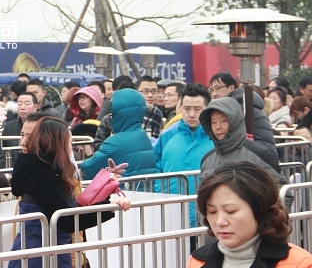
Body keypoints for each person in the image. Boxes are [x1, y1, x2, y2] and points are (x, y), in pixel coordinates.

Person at [7, 118, 130, 268]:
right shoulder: (42, 176)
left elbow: (70, 205)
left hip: (45, 254)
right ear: (56, 143)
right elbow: (67, 220)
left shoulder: (44, 169)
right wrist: (108, 207)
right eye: (68, 142)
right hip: (42, 258)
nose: (70, 147)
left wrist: (104, 187)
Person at [185, 161, 312, 268]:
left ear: (260, 210)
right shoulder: (198, 261)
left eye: (230, 211)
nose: (220, 222)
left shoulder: (300, 267)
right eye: (212, 212)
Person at [153, 83, 213, 225]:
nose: (191, 114)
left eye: (197, 109)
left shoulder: (216, 136)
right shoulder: (167, 135)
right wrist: (158, 191)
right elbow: (155, 167)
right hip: (171, 212)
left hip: (206, 214)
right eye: (187, 108)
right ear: (180, 107)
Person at [198, 97, 283, 188]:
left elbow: (281, 191)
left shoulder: (261, 154)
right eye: (213, 122)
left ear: (235, 121)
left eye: (223, 121)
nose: (218, 127)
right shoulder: (207, 159)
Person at [81, 88, 157, 181]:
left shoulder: (115, 142)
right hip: (143, 189)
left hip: (122, 189)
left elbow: (89, 167)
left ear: (118, 112)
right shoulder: (143, 137)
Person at [209, 72, 276, 155]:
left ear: (231, 87)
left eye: (218, 88)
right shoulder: (239, 103)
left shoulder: (239, 107)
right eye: (211, 90)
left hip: (258, 153)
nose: (214, 94)